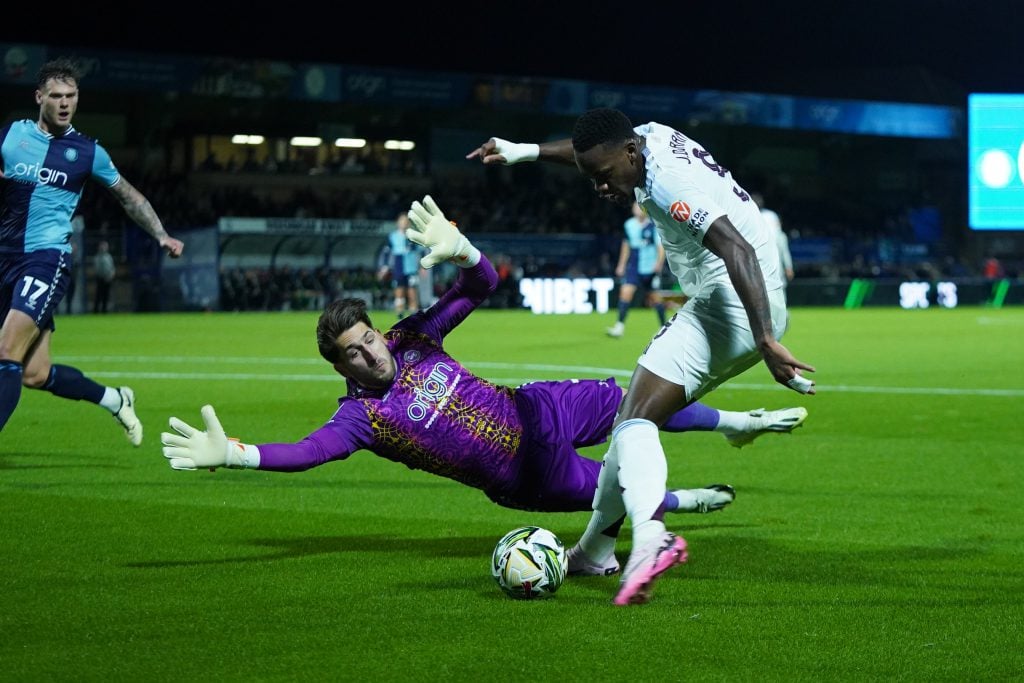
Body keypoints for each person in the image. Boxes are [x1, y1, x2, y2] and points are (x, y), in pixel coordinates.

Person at [161, 196, 808, 550]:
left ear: (378, 330)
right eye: (352, 355)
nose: (368, 354)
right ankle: (686, 500)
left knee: (638, 400)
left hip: (539, 407)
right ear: (340, 366)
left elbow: (483, 282)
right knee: (616, 495)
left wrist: (462, 247)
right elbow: (306, 452)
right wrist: (238, 454)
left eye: (366, 339)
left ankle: (734, 421)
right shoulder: (361, 418)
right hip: (526, 474)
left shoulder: (413, 337)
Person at [468, 108, 816, 605]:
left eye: (605, 178)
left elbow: (735, 248)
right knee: (630, 427)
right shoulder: (641, 139)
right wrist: (527, 151)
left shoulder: (668, 184)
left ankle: (651, 539)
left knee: (633, 423)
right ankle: (594, 551)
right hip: (739, 298)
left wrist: (766, 341)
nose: (601, 188)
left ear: (630, 155)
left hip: (733, 300)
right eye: (593, 179)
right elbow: (588, 150)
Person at [0, 58, 185, 441]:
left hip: (46, 259)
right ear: (39, 98)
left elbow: (128, 196)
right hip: (5, 258)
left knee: (5, 352)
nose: (65, 103)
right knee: (34, 373)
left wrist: (160, 234)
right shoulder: (10, 137)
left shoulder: (87, 152)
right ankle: (115, 399)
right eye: (56, 96)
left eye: (71, 96)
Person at [607, 202, 667, 338]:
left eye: (639, 207)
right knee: (625, 292)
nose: (636, 209)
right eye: (634, 207)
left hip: (649, 268)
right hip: (634, 267)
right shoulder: (629, 225)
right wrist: (621, 264)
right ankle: (619, 327)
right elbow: (626, 244)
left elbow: (660, 247)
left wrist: (659, 263)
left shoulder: (653, 226)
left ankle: (664, 327)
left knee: (655, 298)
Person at [377, 212, 421, 319]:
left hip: (411, 268)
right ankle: (400, 314)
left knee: (412, 292)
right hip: (398, 265)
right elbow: (386, 252)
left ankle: (413, 315)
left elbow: (421, 251)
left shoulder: (413, 236)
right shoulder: (392, 236)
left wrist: (422, 266)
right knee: (399, 291)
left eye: (406, 221)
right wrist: (384, 267)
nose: (404, 223)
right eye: (402, 221)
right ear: (398, 223)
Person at [752, 193, 794, 287]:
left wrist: (788, 267)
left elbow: (781, 243)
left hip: (771, 257)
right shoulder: (751, 215)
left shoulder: (770, 215)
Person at [92, 240, 116, 313]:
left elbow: (112, 267)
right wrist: (102, 276)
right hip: (100, 279)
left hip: (108, 279)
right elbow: (97, 268)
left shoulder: (109, 257)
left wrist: (111, 275)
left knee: (106, 295)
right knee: (98, 295)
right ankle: (96, 310)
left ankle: (104, 310)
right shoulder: (97, 257)